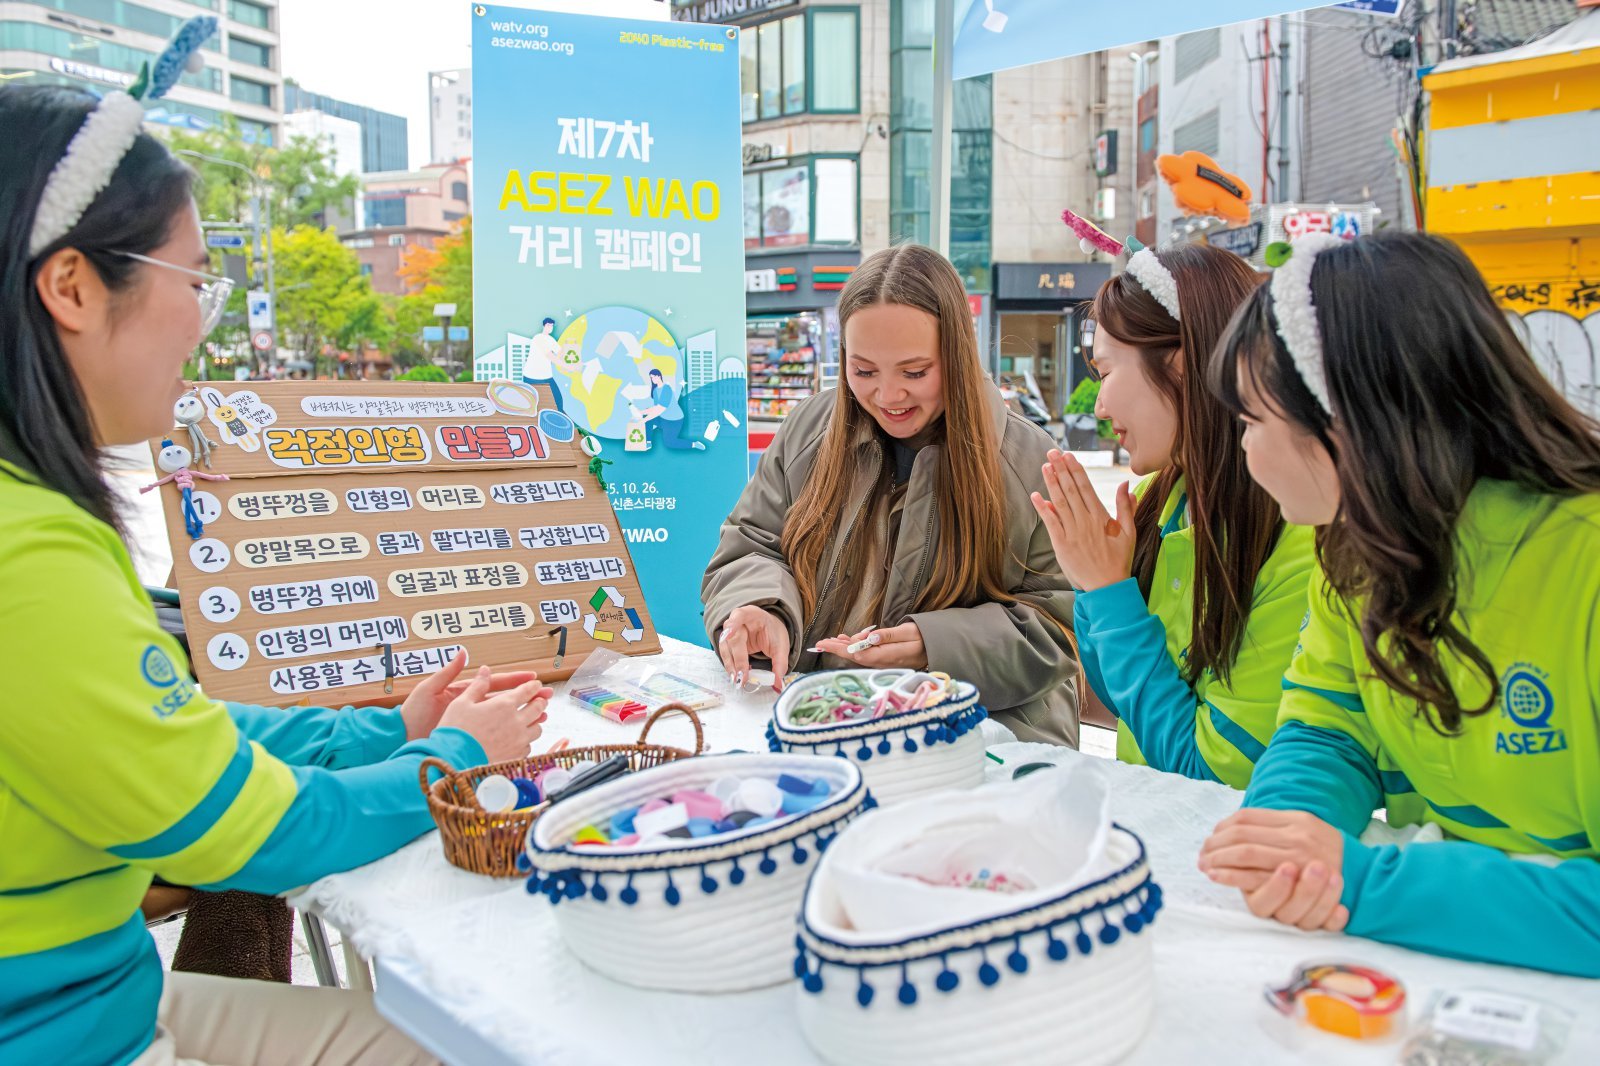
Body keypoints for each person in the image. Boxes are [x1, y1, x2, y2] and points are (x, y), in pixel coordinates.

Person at [0, 85, 555, 1065]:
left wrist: (386, 729)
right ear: (74, 289)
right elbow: (248, 829)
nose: (200, 323)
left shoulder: (34, 517)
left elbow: (178, 723)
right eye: (194, 279)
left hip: (102, 1005)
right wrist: (450, 760)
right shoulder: (31, 559)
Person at [1197, 232, 1600, 976]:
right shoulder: (1359, 547)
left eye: (1249, 419)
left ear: (1348, 422)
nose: (1242, 450)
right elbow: (1327, 725)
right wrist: (1289, 833)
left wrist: (1364, 884)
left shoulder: (1583, 560)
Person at [702, 244, 1080, 746]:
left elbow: (1061, 625)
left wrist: (932, 647)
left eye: (915, 372)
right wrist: (759, 607)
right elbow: (752, 542)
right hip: (821, 717)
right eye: (863, 371)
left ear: (959, 355)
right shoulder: (810, 428)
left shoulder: (1030, 458)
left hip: (982, 736)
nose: (887, 396)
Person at [1031, 244, 1313, 787]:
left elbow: (1210, 772)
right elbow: (1120, 702)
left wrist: (1110, 594)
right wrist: (1097, 589)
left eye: (1107, 372)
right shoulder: (1167, 499)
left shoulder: (1296, 533)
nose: (1098, 406)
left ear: (1183, 365)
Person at [637, 366, 702, 451]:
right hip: (663, 419)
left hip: (674, 421)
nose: (652, 379)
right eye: (651, 378)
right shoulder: (655, 390)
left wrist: (644, 420)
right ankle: (648, 442)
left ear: (659, 376)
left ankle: (694, 444)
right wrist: (641, 412)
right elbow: (656, 408)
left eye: (653, 376)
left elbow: (660, 409)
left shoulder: (667, 389)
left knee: (670, 443)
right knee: (646, 415)